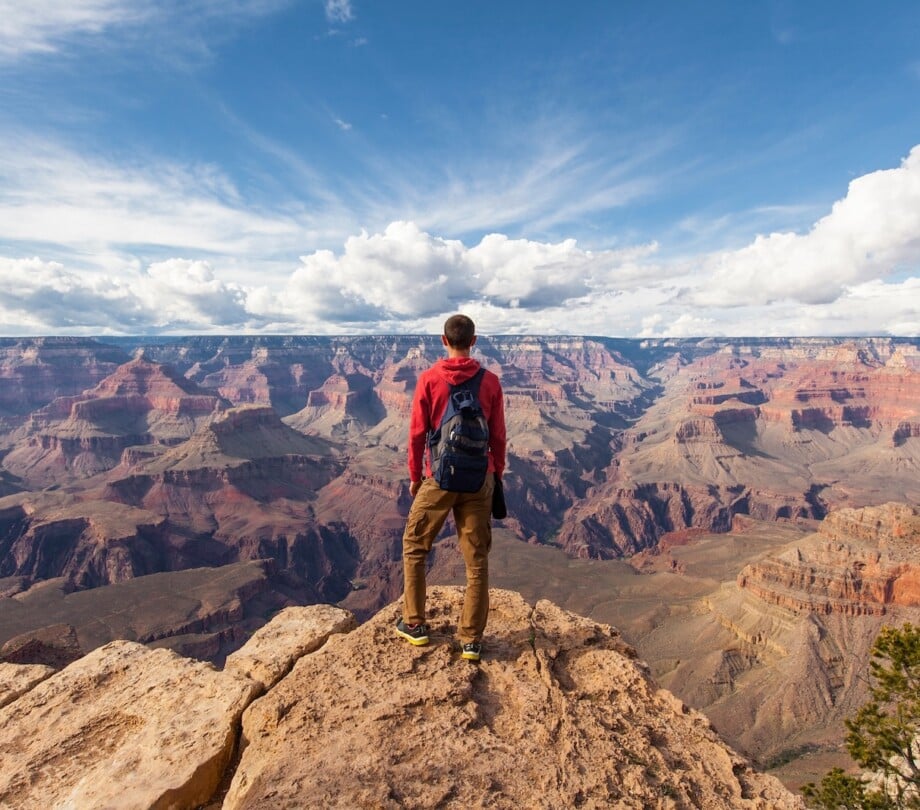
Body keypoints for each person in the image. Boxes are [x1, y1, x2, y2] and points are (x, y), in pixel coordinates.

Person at [396, 314, 506, 662]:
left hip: (440, 479)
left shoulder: (429, 379)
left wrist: (416, 476)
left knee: (415, 545)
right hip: (479, 479)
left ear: (443, 340)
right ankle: (470, 640)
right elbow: (499, 437)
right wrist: (495, 474)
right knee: (477, 562)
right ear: (474, 340)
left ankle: (415, 624)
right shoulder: (490, 382)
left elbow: (416, 434)